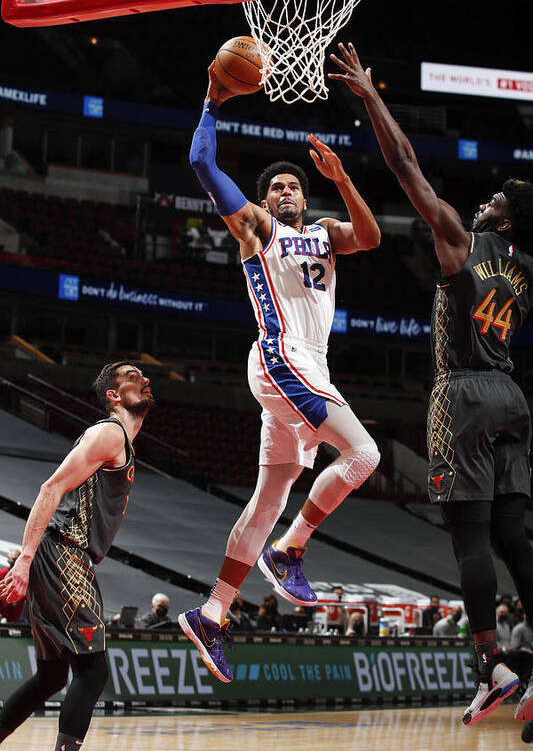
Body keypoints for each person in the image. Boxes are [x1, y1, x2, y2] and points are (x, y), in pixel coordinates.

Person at [329, 41, 533, 727]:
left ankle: (490, 665)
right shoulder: (525, 269)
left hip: (464, 394)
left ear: (502, 219)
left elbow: (405, 166)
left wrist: (369, 94)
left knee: (468, 539)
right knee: (514, 538)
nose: (481, 201)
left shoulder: (458, 238)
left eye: (494, 199)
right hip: (512, 396)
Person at [178, 62, 381, 684]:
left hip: (307, 366)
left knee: (269, 498)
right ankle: (290, 550)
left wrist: (343, 178)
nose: (287, 191)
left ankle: (213, 611)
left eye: (295, 185)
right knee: (364, 454)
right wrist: (211, 101)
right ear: (266, 200)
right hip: (282, 356)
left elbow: (371, 239)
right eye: (278, 187)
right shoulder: (258, 230)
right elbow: (203, 167)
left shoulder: (324, 232)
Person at [0, 361, 154, 751]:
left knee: (52, 677)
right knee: (93, 671)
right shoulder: (110, 433)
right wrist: (24, 560)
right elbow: (50, 489)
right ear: (113, 396)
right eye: (133, 377)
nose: (145, 380)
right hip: (64, 553)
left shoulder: (121, 440)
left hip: (63, 557)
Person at [0, 550, 24, 623]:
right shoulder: (2, 573)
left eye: (14, 560)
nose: (11, 562)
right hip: (2, 615)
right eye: (10, 559)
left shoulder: (24, 576)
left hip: (16, 617)